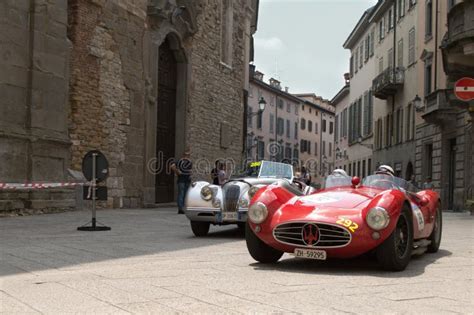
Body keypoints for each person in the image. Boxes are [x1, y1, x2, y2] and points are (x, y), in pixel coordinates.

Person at [171, 150, 192, 214]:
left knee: (185, 194)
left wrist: (190, 174)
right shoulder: (179, 161)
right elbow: (172, 166)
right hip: (181, 180)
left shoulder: (189, 162)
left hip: (187, 179)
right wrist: (177, 171)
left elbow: (190, 170)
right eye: (186, 155)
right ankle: (180, 208)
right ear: (183, 155)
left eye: (188, 155)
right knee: (181, 194)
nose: (187, 156)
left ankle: (183, 208)